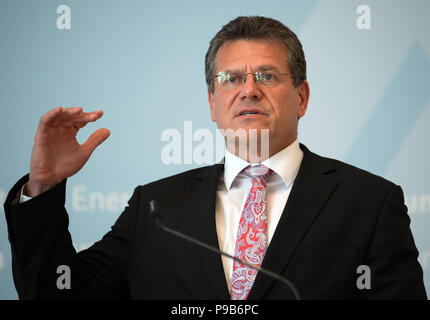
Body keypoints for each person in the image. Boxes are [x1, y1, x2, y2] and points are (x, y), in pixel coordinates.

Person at [3, 16, 427, 300]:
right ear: (212, 101)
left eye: (266, 75)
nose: (249, 89)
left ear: (301, 96)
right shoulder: (156, 206)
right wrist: (42, 188)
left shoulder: (370, 202)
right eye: (231, 79)